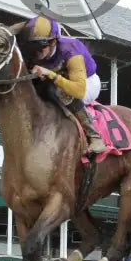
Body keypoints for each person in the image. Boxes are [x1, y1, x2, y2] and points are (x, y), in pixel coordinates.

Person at [19, 14, 106, 155]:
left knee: (62, 93)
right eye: (31, 46)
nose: (35, 52)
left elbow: (79, 90)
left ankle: (94, 136)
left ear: (53, 42)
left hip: (87, 83)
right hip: (59, 80)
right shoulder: (36, 52)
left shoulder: (71, 50)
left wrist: (51, 74)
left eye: (39, 47)